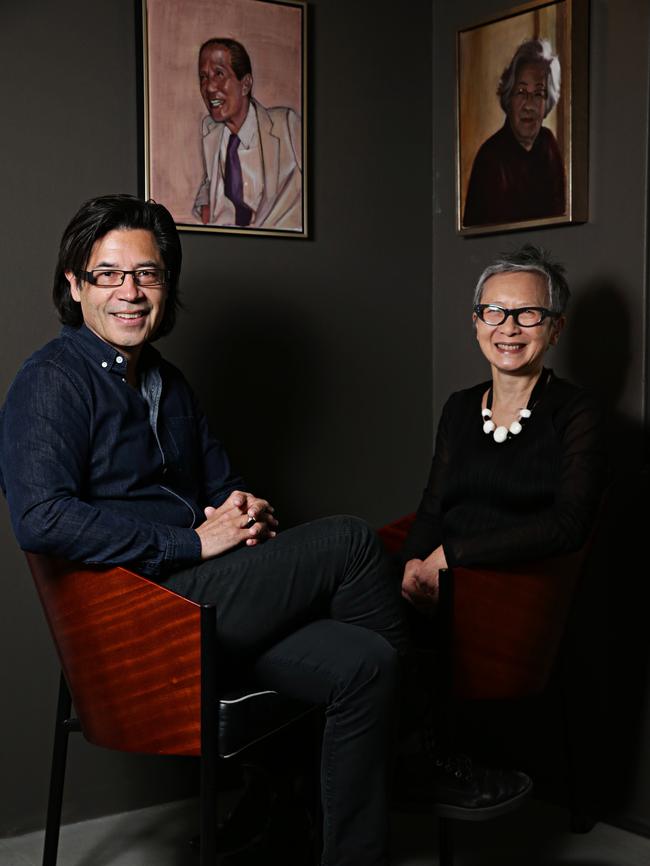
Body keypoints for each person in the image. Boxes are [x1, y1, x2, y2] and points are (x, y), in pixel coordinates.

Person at [0, 195, 528, 866]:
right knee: (350, 541)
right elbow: (40, 517)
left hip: (212, 603)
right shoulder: (51, 383)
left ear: (167, 286)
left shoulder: (169, 385)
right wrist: (192, 541)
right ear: (74, 287)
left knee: (367, 663)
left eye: (148, 274)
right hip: (140, 626)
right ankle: (418, 756)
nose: (130, 292)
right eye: (107, 274)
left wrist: (241, 512)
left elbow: (222, 489)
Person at [401, 245, 605, 610]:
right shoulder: (459, 407)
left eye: (527, 313)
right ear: (477, 322)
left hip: (510, 595)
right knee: (348, 548)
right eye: (493, 312)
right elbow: (433, 509)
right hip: (438, 575)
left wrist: (450, 556)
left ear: (555, 328)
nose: (508, 328)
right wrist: (411, 566)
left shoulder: (577, 411)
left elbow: (568, 525)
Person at [193, 38, 303, 231]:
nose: (209, 87)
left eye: (219, 74)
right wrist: (205, 205)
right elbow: (210, 181)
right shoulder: (210, 129)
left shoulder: (286, 124)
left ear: (245, 84)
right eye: (203, 77)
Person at [463, 39, 566, 228]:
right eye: (521, 91)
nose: (529, 105)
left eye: (538, 93)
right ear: (508, 97)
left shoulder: (549, 145)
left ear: (547, 102)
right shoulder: (490, 157)